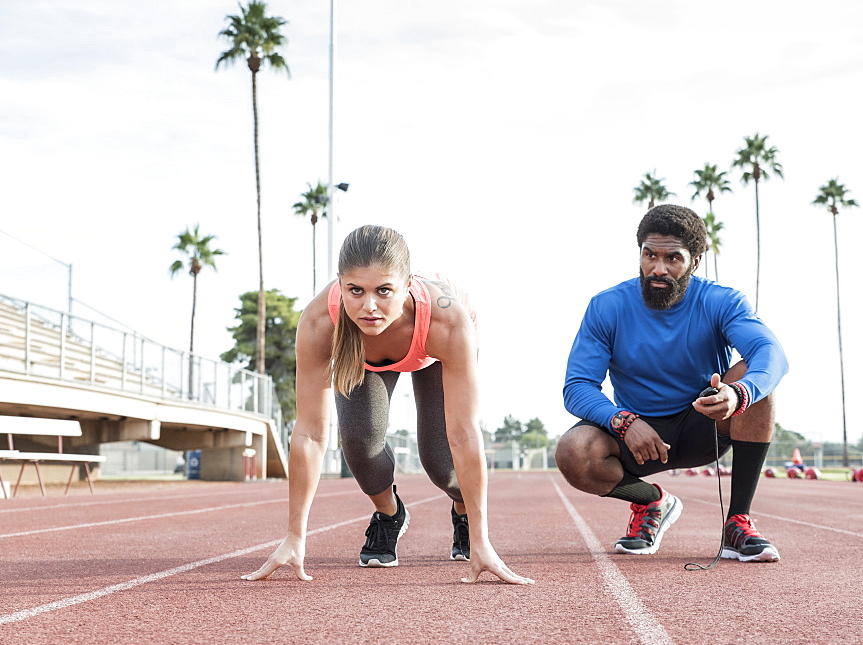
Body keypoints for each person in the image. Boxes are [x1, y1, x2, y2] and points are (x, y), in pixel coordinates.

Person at [243, 225, 532, 584]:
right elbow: (310, 434)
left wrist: (482, 539)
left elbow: (465, 434)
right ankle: (389, 513)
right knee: (359, 444)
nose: (369, 306)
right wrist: (294, 537)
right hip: (362, 354)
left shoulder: (449, 321)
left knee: (442, 462)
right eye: (355, 291)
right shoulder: (321, 321)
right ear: (340, 284)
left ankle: (463, 513)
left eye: (384, 291)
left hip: (432, 351)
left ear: (408, 283)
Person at [557, 205, 789, 563]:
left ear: (695, 261)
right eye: (649, 255)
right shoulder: (607, 306)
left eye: (672, 258)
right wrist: (624, 421)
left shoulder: (721, 301)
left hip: (702, 423)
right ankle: (651, 501)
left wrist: (738, 394)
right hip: (636, 435)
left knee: (753, 379)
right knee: (573, 451)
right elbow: (577, 386)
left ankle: (737, 523)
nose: (658, 268)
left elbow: (770, 352)